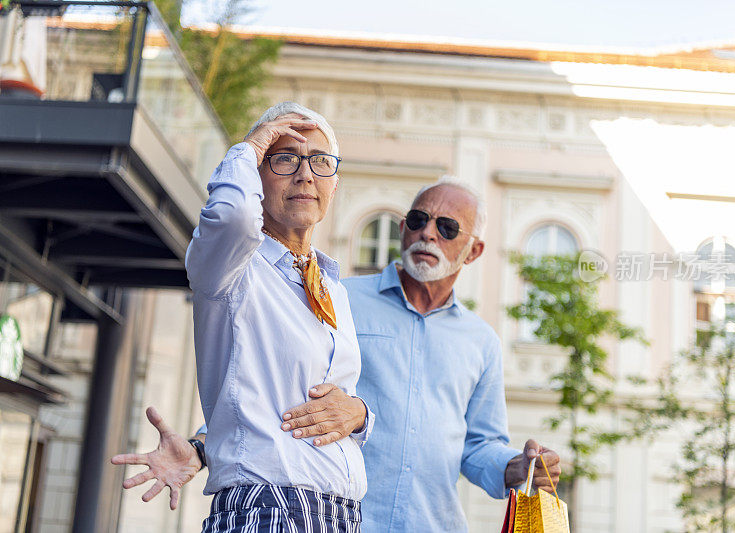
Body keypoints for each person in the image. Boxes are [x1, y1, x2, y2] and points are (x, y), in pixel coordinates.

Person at [116, 178, 562, 531]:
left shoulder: (480, 342)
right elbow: (270, 385)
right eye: (418, 219)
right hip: (337, 520)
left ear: (474, 251)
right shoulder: (335, 298)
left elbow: (478, 445)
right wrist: (201, 447)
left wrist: (516, 467)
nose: (427, 232)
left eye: (447, 228)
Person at [113, 102, 373, 532]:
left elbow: (277, 400)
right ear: (256, 176)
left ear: (334, 184)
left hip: (341, 514)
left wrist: (360, 412)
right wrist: (248, 149)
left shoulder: (333, 290)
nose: (305, 174)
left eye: (319, 162)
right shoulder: (234, 265)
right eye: (285, 159)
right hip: (269, 509)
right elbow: (232, 216)